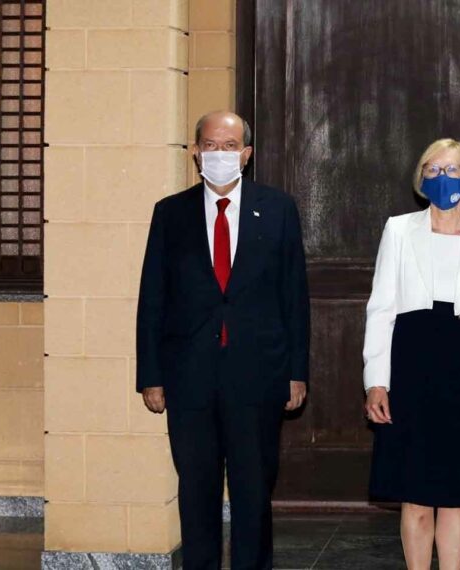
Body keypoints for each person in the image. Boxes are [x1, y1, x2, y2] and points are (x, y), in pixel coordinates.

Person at [136, 111, 311, 570]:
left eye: (230, 146)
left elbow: (294, 296)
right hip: (189, 376)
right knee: (197, 491)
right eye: (210, 145)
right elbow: (152, 298)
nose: (219, 154)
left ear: (246, 154)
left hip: (258, 375)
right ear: (195, 152)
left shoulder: (278, 209)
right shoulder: (170, 213)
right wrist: (151, 376)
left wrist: (297, 372)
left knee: (254, 490)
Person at [362, 138, 460, 570]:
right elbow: (381, 309)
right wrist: (376, 381)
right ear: (420, 177)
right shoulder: (398, 230)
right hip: (410, 368)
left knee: (456, 494)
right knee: (414, 494)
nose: (441, 177)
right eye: (432, 169)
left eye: (452, 169)